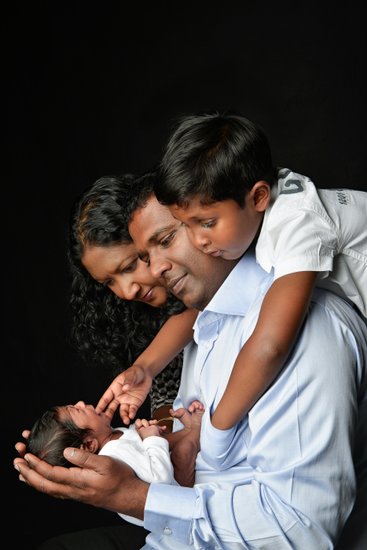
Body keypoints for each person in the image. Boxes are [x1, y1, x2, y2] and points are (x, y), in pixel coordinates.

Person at [14, 178, 367, 549]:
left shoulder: (293, 319)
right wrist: (55, 448)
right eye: (111, 281)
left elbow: (297, 528)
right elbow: (182, 418)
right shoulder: (197, 325)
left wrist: (137, 492)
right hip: (186, 524)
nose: (133, 285)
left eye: (153, 249)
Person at [150, 110, 367, 460]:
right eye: (185, 225)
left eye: (206, 222)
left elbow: (271, 345)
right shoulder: (255, 218)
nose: (198, 240)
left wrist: (214, 434)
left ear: (259, 197)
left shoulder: (297, 222)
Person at [67, 172, 198, 429]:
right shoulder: (148, 319)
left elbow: (196, 311)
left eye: (129, 266)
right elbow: (166, 402)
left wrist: (144, 367)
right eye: (109, 283)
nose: (127, 292)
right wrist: (161, 437)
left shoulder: (210, 283)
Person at [26, 399, 204, 499]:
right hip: (176, 490)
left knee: (167, 439)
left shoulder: (113, 436)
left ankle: (190, 430)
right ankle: (197, 429)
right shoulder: (114, 452)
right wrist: (150, 437)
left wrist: (144, 433)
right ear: (89, 445)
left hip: (164, 467)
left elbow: (149, 449)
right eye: (76, 410)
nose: (81, 403)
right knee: (184, 451)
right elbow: (161, 481)